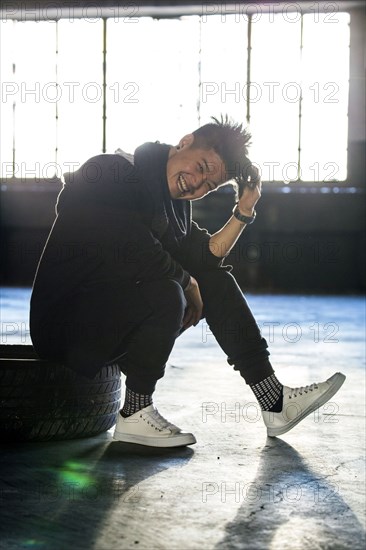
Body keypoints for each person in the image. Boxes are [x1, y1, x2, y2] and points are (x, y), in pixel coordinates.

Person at [30, 115, 346, 447]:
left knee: (214, 282)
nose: (196, 183)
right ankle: (135, 413)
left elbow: (206, 258)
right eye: (202, 166)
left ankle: (274, 400)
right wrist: (186, 281)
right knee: (168, 289)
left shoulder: (174, 208)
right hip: (64, 328)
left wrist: (244, 211)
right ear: (183, 143)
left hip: (108, 322)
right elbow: (132, 249)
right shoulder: (110, 171)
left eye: (209, 185)